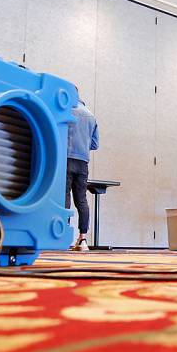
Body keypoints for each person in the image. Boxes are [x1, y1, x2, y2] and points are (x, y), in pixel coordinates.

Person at [66, 98, 99, 251]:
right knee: (81, 200)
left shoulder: (67, 112)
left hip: (66, 159)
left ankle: (64, 237)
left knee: (64, 198)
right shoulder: (91, 116)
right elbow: (95, 144)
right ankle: (83, 239)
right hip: (83, 162)